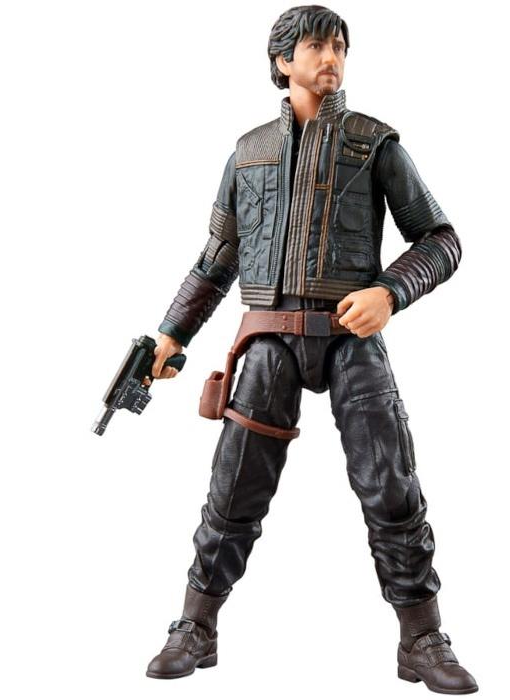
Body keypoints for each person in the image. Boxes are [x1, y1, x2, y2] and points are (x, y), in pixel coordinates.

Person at [144, 6, 476, 694]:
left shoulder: (375, 143)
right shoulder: (248, 152)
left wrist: (389, 292)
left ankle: (421, 637)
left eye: (339, 47)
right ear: (282, 60)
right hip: (269, 339)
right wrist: (171, 334)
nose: (331, 58)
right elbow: (216, 260)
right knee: (233, 486)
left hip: (352, 338)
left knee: (390, 485)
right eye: (317, 46)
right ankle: (195, 625)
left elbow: (440, 240)